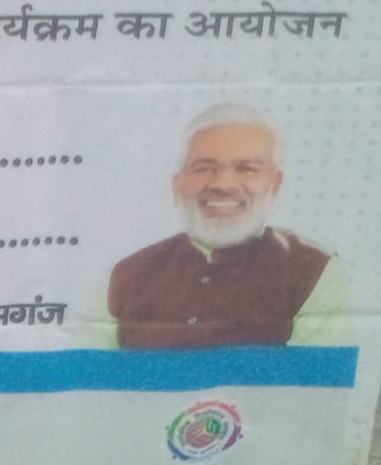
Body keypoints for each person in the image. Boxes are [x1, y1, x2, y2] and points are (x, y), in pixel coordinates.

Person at [106, 106, 344, 349]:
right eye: (204, 168)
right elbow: (91, 368)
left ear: (274, 184)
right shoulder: (125, 275)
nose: (223, 184)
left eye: (247, 169)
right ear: (178, 184)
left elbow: (321, 373)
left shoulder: (316, 271)